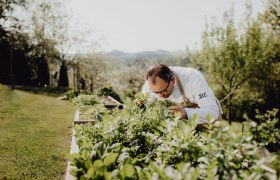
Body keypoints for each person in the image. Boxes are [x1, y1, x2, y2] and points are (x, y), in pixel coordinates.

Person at [141, 64, 222, 125]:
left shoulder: (193, 77)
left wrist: (187, 113)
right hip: (185, 119)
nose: (159, 96)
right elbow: (144, 105)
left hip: (208, 116)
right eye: (156, 92)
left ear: (172, 80)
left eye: (163, 91)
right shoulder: (150, 83)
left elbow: (213, 112)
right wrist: (140, 105)